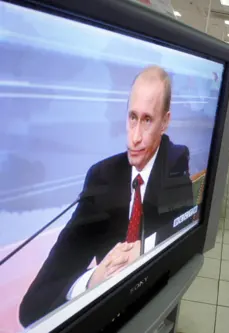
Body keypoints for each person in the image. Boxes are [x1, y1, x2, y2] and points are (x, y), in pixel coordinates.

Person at [19, 66, 194, 327]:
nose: (135, 138)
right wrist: (93, 281)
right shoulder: (103, 178)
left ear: (165, 122)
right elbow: (33, 307)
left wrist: (144, 249)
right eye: (132, 117)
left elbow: (185, 234)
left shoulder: (176, 161)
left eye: (147, 120)